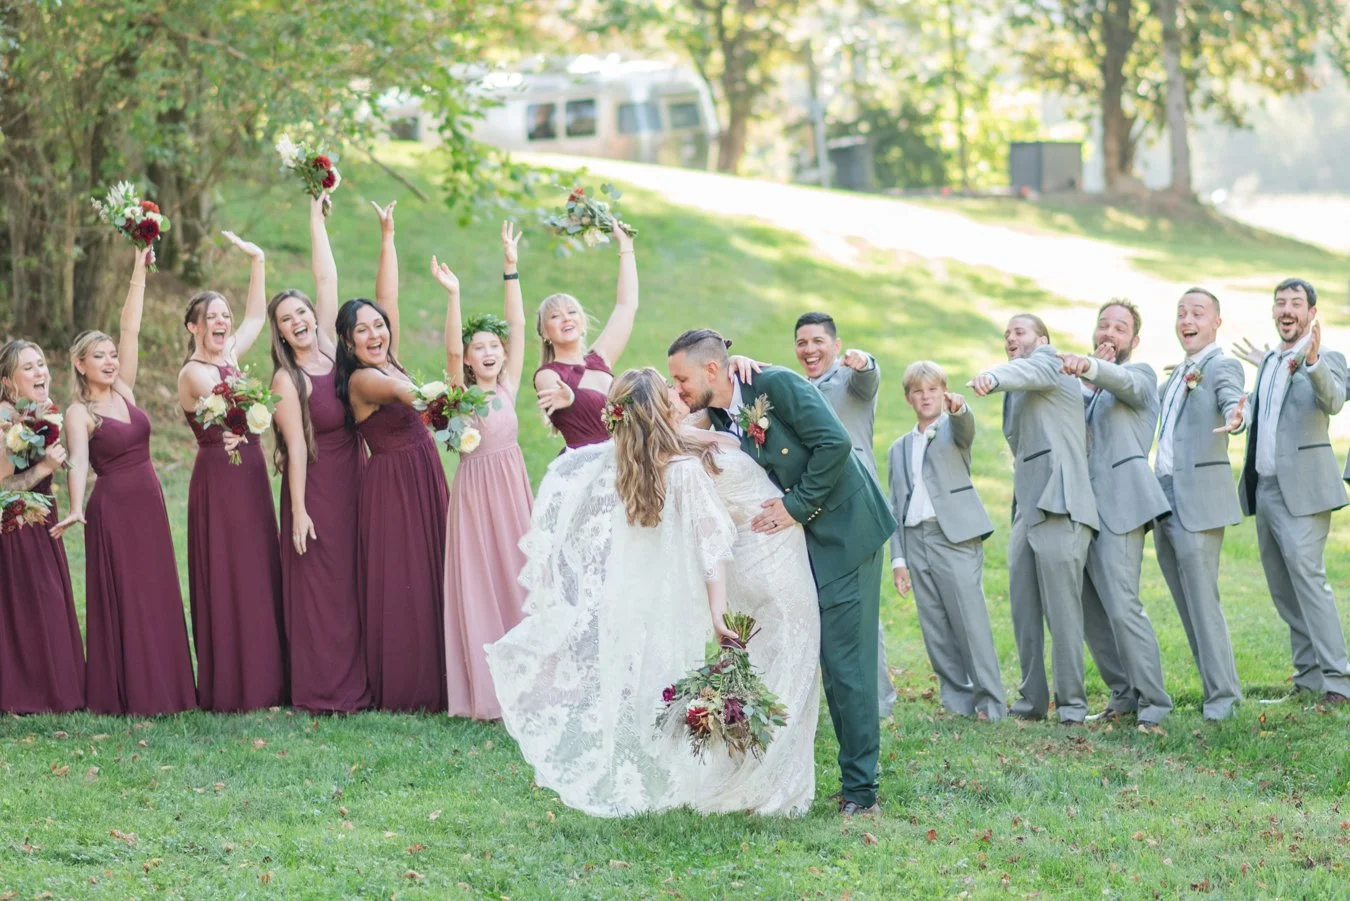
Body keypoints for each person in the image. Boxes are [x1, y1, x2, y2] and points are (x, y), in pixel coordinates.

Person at [486, 368, 819, 817]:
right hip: (768, 563)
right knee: (785, 667)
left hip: (755, 559)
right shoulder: (683, 466)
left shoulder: (640, 457)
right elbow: (712, 543)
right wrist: (719, 615)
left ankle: (749, 771)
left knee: (770, 668)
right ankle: (769, 783)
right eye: (670, 392)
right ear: (660, 411)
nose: (679, 394)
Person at [668, 330, 895, 817]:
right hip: (803, 546)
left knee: (844, 665)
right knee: (825, 659)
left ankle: (861, 792)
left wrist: (795, 508)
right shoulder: (724, 409)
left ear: (711, 370)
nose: (679, 387)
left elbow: (835, 444)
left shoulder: (779, 385)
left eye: (681, 377)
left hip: (846, 533)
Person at [57, 249, 196, 716]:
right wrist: (76, 506)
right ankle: (137, 692)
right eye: (99, 356)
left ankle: (171, 689)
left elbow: (130, 327)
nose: (111, 360)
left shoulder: (124, 390)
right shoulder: (81, 412)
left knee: (157, 590)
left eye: (112, 354)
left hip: (150, 503)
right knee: (131, 595)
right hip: (113, 508)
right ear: (79, 364)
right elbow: (78, 461)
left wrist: (140, 266)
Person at [336, 201, 449, 713]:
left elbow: (389, 297)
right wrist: (441, 397)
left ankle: (447, 673)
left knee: (435, 568)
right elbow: (404, 394)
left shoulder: (388, 353)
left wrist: (387, 235)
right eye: (362, 330)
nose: (375, 333)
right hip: (392, 486)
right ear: (347, 342)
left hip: (422, 472)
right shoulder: (364, 379)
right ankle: (410, 685)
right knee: (405, 578)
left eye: (377, 326)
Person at [269, 193, 371, 714]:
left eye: (302, 311)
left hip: (356, 477)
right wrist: (301, 510)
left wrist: (314, 213)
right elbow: (296, 449)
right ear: (281, 332)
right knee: (323, 586)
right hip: (317, 485)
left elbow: (326, 277)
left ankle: (364, 678)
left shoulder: (333, 352)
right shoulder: (287, 381)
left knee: (356, 579)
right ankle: (324, 689)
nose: (299, 321)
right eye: (288, 319)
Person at [177, 230, 288, 712]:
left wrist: (258, 258)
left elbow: (255, 316)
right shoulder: (195, 373)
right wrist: (251, 416)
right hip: (219, 477)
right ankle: (232, 685)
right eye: (212, 317)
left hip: (250, 470)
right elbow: (230, 409)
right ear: (194, 328)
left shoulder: (231, 356)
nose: (222, 323)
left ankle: (268, 677)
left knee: (257, 565)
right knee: (229, 568)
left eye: (225, 316)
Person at [970, 314, 1098, 724]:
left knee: (1062, 612)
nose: (1010, 338)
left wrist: (992, 375)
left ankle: (1073, 706)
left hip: (1061, 504)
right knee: (1024, 609)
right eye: (1006, 334)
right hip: (1027, 508)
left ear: (1042, 339)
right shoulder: (1020, 384)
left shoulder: (1050, 363)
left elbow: (1034, 367)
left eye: (1019, 332)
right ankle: (1031, 702)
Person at [1058, 300, 1174, 728]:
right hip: (1080, 511)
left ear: (1134, 340)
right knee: (1090, 610)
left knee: (1123, 606)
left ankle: (1155, 704)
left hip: (1122, 509)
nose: (1109, 333)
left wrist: (1090, 367)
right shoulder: (1085, 387)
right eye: (1103, 325)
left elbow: (1125, 383)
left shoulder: (1140, 376)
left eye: (1119, 328)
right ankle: (1123, 693)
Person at [1236, 278, 1349, 705]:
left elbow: (1334, 400)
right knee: (1283, 587)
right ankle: (1308, 679)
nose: (1287, 310)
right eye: (1280, 302)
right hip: (1265, 489)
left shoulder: (1328, 358)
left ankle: (1338, 683)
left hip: (1305, 492)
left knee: (1309, 581)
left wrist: (1315, 360)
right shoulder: (1269, 362)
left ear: (1311, 313)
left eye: (1296, 303)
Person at [438, 222, 533, 720]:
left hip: (512, 489)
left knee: (519, 576)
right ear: (470, 362)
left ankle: (531, 679)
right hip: (475, 493)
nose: (490, 351)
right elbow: (450, 351)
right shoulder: (464, 393)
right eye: (480, 348)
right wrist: (454, 296)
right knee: (483, 581)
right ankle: (489, 692)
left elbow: (516, 327)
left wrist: (510, 267)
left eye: (492, 345)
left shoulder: (509, 385)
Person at [792, 311, 896, 717]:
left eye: (818, 341)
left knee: (862, 608)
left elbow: (870, 377)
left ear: (835, 346)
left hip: (855, 508)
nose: (809, 349)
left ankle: (878, 699)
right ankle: (835, 695)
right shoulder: (796, 388)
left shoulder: (851, 382)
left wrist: (865, 361)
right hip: (815, 509)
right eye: (802, 342)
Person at [888, 361, 1003, 721]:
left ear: (943, 393)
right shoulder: (898, 448)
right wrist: (899, 559)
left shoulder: (954, 431)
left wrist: (960, 409)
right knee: (934, 625)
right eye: (918, 392)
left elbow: (966, 426)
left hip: (953, 537)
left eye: (933, 390)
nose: (926, 397)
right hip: (915, 539)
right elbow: (895, 504)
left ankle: (991, 703)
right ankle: (958, 701)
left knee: (970, 622)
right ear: (908, 398)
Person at [1151, 287, 1246, 721]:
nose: (1187, 319)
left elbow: (1231, 395)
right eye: (1181, 312)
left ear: (1216, 323)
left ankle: (1223, 699)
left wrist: (1234, 415)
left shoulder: (1221, 365)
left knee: (1203, 601)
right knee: (1185, 602)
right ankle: (1213, 687)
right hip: (1163, 496)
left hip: (1199, 500)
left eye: (1197, 312)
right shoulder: (1175, 375)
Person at [0, 340, 85, 714]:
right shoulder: (4, 421)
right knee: (28, 607)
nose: (41, 373)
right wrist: (44, 469)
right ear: (8, 383)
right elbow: (2, 486)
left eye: (42, 364)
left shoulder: (41, 413)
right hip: (15, 528)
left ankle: (57, 690)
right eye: (30, 368)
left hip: (42, 518)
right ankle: (28, 694)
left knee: (46, 603)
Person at [532, 225, 638, 449]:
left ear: (582, 323)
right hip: (585, 467)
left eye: (571, 312)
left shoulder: (600, 359)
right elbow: (552, 389)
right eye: (555, 316)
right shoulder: (548, 374)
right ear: (544, 332)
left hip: (623, 461)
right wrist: (570, 398)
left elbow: (626, 305)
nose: (566, 318)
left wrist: (626, 246)